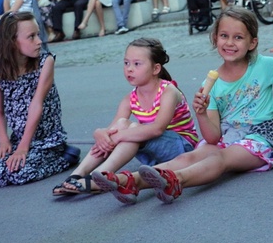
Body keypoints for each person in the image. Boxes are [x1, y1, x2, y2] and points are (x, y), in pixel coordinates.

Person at [90, 7, 273, 204]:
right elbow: (213, 137)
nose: (230, 42)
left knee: (218, 158)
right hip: (227, 135)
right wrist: (202, 113)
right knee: (188, 157)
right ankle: (129, 181)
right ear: (215, 38)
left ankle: (177, 180)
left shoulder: (264, 65)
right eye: (224, 36)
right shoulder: (210, 85)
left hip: (262, 138)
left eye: (238, 37)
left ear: (252, 43)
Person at [53, 38, 198, 196]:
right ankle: (76, 175)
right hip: (154, 157)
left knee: (132, 128)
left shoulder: (169, 91)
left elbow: (157, 129)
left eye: (137, 64)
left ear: (156, 68)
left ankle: (99, 177)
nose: (129, 69)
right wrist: (101, 133)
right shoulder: (129, 99)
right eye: (126, 63)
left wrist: (117, 136)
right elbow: (113, 131)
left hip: (182, 149)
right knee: (122, 124)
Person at [0, 12, 78, 186]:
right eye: (31, 37)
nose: (39, 41)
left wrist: (23, 148)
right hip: (20, 139)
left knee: (19, 174)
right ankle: (30, 155)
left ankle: (66, 156)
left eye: (38, 34)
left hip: (47, 140)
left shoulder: (45, 62)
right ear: (12, 42)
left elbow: (37, 104)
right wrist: (4, 141)